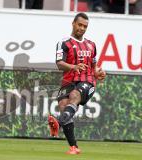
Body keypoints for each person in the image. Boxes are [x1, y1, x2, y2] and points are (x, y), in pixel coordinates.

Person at [48, 12, 106, 155]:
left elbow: (94, 67)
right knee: (63, 106)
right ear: (73, 23)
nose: (82, 28)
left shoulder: (91, 45)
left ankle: (58, 124)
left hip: (87, 81)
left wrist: (98, 72)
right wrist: (73, 67)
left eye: (85, 26)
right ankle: (74, 147)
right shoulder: (64, 42)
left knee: (74, 96)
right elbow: (59, 63)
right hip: (68, 80)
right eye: (80, 25)